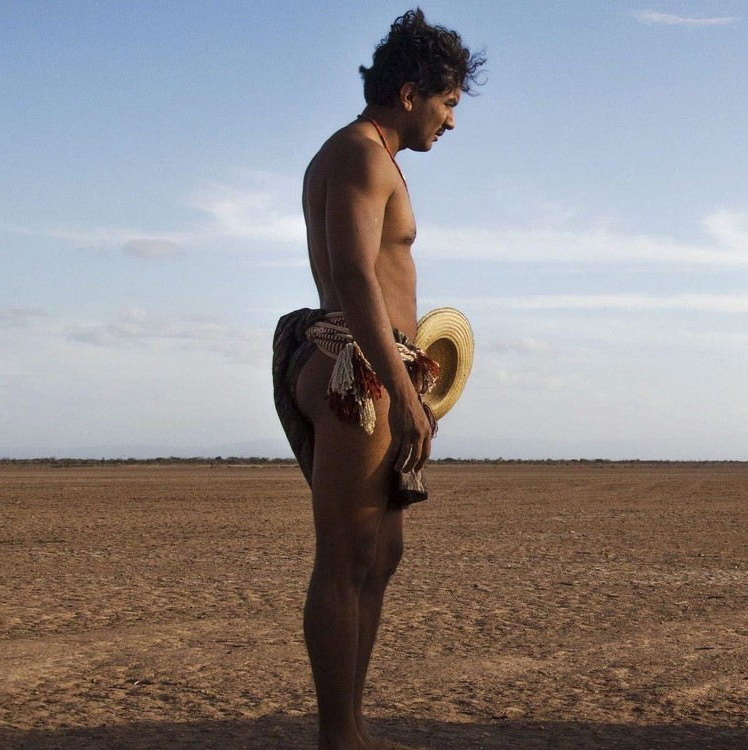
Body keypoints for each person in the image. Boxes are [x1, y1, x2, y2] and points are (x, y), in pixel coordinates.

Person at [270, 10, 484, 750]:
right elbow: (358, 276)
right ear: (408, 90)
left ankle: (350, 727)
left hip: (376, 360)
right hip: (357, 365)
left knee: (378, 556)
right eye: (448, 102)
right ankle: (339, 737)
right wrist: (399, 396)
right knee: (344, 558)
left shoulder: (369, 156)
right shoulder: (361, 155)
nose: (452, 121)